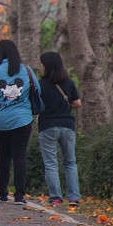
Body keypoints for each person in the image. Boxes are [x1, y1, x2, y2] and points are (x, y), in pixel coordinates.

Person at [0, 39, 40, 206]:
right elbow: (37, 89)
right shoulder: (27, 70)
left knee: (4, 155)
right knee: (20, 155)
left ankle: (2, 193)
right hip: (23, 119)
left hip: (0, 121)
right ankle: (20, 195)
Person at [37, 52, 82, 207]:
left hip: (47, 126)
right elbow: (78, 103)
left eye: (41, 63)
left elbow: (36, 106)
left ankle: (56, 197)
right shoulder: (68, 82)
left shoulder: (40, 84)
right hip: (67, 126)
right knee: (70, 162)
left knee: (51, 164)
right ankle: (74, 198)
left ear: (46, 65)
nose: (40, 66)